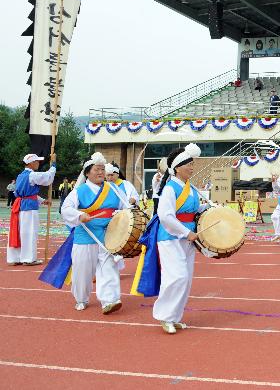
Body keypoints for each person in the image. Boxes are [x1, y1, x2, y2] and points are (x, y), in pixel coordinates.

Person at [133, 143, 208, 334]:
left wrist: (208, 209)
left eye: (193, 164)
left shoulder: (191, 188)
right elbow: (166, 216)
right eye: (188, 164)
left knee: (186, 279)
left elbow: (192, 210)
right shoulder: (169, 188)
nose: (192, 167)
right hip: (170, 237)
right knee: (176, 277)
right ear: (176, 168)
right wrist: (186, 232)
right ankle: (165, 317)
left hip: (188, 238)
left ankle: (175, 317)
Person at [57, 152, 127, 313]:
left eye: (102, 169)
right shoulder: (79, 191)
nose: (101, 172)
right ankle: (81, 298)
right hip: (85, 235)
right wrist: (79, 215)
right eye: (97, 169)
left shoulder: (113, 188)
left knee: (108, 267)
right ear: (87, 172)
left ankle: (109, 300)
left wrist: (121, 215)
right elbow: (66, 209)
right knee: (82, 271)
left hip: (108, 235)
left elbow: (125, 208)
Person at [8, 153, 56, 266]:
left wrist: (42, 200)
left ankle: (16, 257)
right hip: (28, 208)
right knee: (29, 232)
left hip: (20, 206)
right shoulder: (32, 175)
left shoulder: (20, 176)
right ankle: (28, 258)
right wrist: (53, 164)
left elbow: (26, 194)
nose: (38, 163)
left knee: (20, 231)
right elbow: (48, 178)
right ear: (30, 163)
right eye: (37, 161)